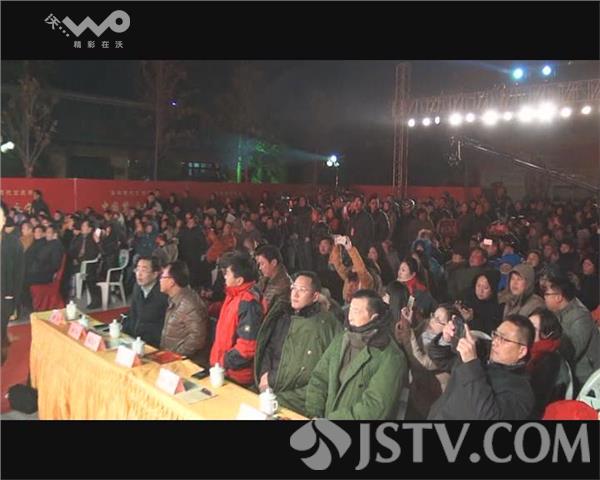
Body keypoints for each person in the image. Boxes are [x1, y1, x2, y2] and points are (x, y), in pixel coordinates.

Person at [305, 289, 408, 420]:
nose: (350, 316)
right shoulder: (341, 339)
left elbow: (374, 407)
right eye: (350, 310)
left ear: (374, 317)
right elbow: (319, 378)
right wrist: (314, 413)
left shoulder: (391, 357)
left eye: (357, 311)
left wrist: (330, 421)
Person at [254, 271, 341, 415]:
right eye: (293, 288)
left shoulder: (322, 326)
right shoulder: (283, 314)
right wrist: (264, 376)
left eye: (302, 290)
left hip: (295, 398)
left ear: (315, 296)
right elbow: (269, 347)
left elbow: (307, 371)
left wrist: (271, 379)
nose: (295, 294)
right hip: (267, 387)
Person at [427, 314, 535, 420]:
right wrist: (446, 339)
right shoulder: (481, 350)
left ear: (521, 351)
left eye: (504, 339)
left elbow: (489, 416)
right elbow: (442, 359)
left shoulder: (521, 392)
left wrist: (471, 364)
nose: (495, 342)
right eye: (496, 335)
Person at [210, 252, 263, 385]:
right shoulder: (233, 295)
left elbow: (248, 346)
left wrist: (224, 361)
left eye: (227, 273)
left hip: (235, 375)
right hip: (222, 369)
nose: (224, 276)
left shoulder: (248, 303)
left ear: (239, 280)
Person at [543, 273, 600, 393]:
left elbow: (571, 351)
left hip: (584, 377)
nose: (544, 298)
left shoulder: (580, 317)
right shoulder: (558, 312)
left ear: (559, 297)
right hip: (570, 371)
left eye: (547, 294)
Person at [159, 261, 210, 367]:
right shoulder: (175, 298)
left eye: (162, 277)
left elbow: (197, 339)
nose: (159, 280)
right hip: (170, 358)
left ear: (172, 281)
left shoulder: (189, 304)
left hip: (183, 363)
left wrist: (176, 355)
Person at [527, 308, 571, 419]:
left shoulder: (549, 361)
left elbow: (537, 402)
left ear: (546, 334)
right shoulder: (534, 352)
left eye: (532, 329)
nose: (526, 331)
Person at [122, 256, 168, 348]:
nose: (139, 274)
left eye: (144, 270)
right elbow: (133, 313)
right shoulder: (137, 287)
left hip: (154, 341)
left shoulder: (163, 293)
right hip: (136, 339)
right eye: (137, 269)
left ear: (155, 274)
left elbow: (163, 325)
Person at [1, 208, 24, 364]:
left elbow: (19, 274)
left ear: (4, 221)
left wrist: (13, 297)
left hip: (5, 294)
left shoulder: (13, 243)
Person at [457, 270, 503, 335]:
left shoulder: (498, 306)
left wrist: (471, 319)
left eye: (486, 288)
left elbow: (490, 331)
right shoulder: (467, 295)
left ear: (493, 289)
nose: (480, 291)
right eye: (478, 286)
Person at [255, 244, 292, 313]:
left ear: (273, 263)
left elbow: (265, 310)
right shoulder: (267, 277)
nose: (260, 268)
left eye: (262, 264)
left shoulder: (282, 285)